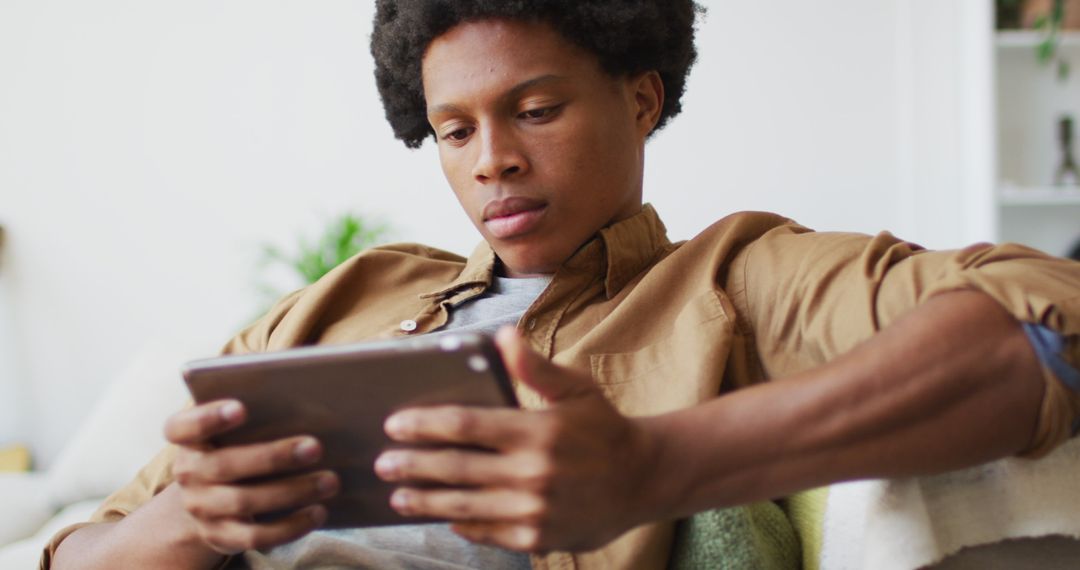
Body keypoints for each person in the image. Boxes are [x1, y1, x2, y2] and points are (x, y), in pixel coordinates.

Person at [45, 1, 1080, 569]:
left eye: (535, 110)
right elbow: (83, 549)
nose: (491, 160)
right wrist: (187, 522)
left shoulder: (734, 276)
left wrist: (653, 465)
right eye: (454, 131)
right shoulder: (348, 295)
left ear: (641, 99)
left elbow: (1045, 318)